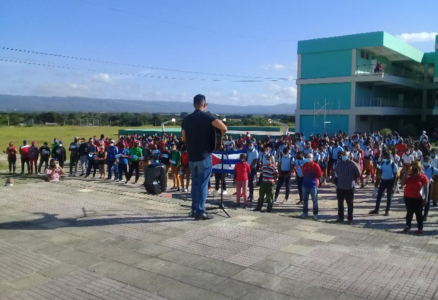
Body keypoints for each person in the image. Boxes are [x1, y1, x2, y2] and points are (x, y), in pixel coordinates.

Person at [181, 94, 227, 220]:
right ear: (205, 105)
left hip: (191, 156)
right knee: (202, 184)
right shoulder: (207, 117)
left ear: (193, 105)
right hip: (204, 156)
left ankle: (194, 209)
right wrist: (217, 135)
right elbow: (224, 128)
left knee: (194, 184)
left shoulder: (186, 119)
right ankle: (200, 211)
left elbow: (184, 138)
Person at [401, 162, 429, 235]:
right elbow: (402, 184)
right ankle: (408, 226)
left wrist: (426, 198)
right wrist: (405, 176)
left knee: (419, 214)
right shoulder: (409, 176)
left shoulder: (423, 177)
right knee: (409, 212)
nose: (414, 170)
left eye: (416, 168)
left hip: (418, 198)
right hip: (408, 197)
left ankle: (420, 228)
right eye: (413, 168)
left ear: (419, 168)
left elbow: (426, 188)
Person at [335, 150, 361, 224]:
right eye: (343, 155)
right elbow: (336, 171)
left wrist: (353, 179)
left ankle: (350, 218)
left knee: (350, 203)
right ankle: (340, 217)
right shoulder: (339, 164)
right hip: (340, 186)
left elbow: (358, 173)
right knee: (340, 203)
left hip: (349, 187)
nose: (343, 156)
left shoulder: (352, 164)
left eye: (345, 155)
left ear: (349, 156)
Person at [369, 152, 398, 216]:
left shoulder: (393, 164)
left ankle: (387, 211)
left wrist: (393, 186)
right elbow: (381, 170)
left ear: (388, 157)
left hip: (390, 181)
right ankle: (376, 210)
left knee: (389, 197)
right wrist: (377, 166)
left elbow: (395, 176)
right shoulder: (383, 163)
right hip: (383, 181)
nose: (383, 158)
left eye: (384, 157)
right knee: (379, 195)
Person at [301, 153, 322, 220]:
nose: (308, 158)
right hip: (305, 185)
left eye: (310, 157)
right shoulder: (304, 165)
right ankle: (305, 212)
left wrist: (316, 180)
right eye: (307, 157)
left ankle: (315, 214)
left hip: (313, 185)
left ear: (313, 158)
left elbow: (319, 174)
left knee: (315, 200)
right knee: (305, 200)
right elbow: (303, 173)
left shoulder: (316, 166)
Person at [421, 156, 438, 221]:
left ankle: (425, 215)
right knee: (420, 200)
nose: (426, 162)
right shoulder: (421, 168)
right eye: (425, 161)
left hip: (429, 185)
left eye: (427, 161)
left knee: (427, 200)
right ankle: (420, 214)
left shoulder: (432, 168)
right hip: (421, 185)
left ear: (429, 162)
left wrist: (435, 178)